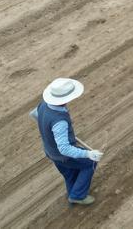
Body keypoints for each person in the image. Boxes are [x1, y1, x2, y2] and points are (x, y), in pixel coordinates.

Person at [33, 78, 103, 206]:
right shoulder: (60, 121)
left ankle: (73, 194)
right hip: (63, 156)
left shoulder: (43, 104)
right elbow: (64, 149)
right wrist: (88, 154)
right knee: (89, 163)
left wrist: (48, 127)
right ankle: (78, 195)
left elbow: (34, 114)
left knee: (70, 173)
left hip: (50, 151)